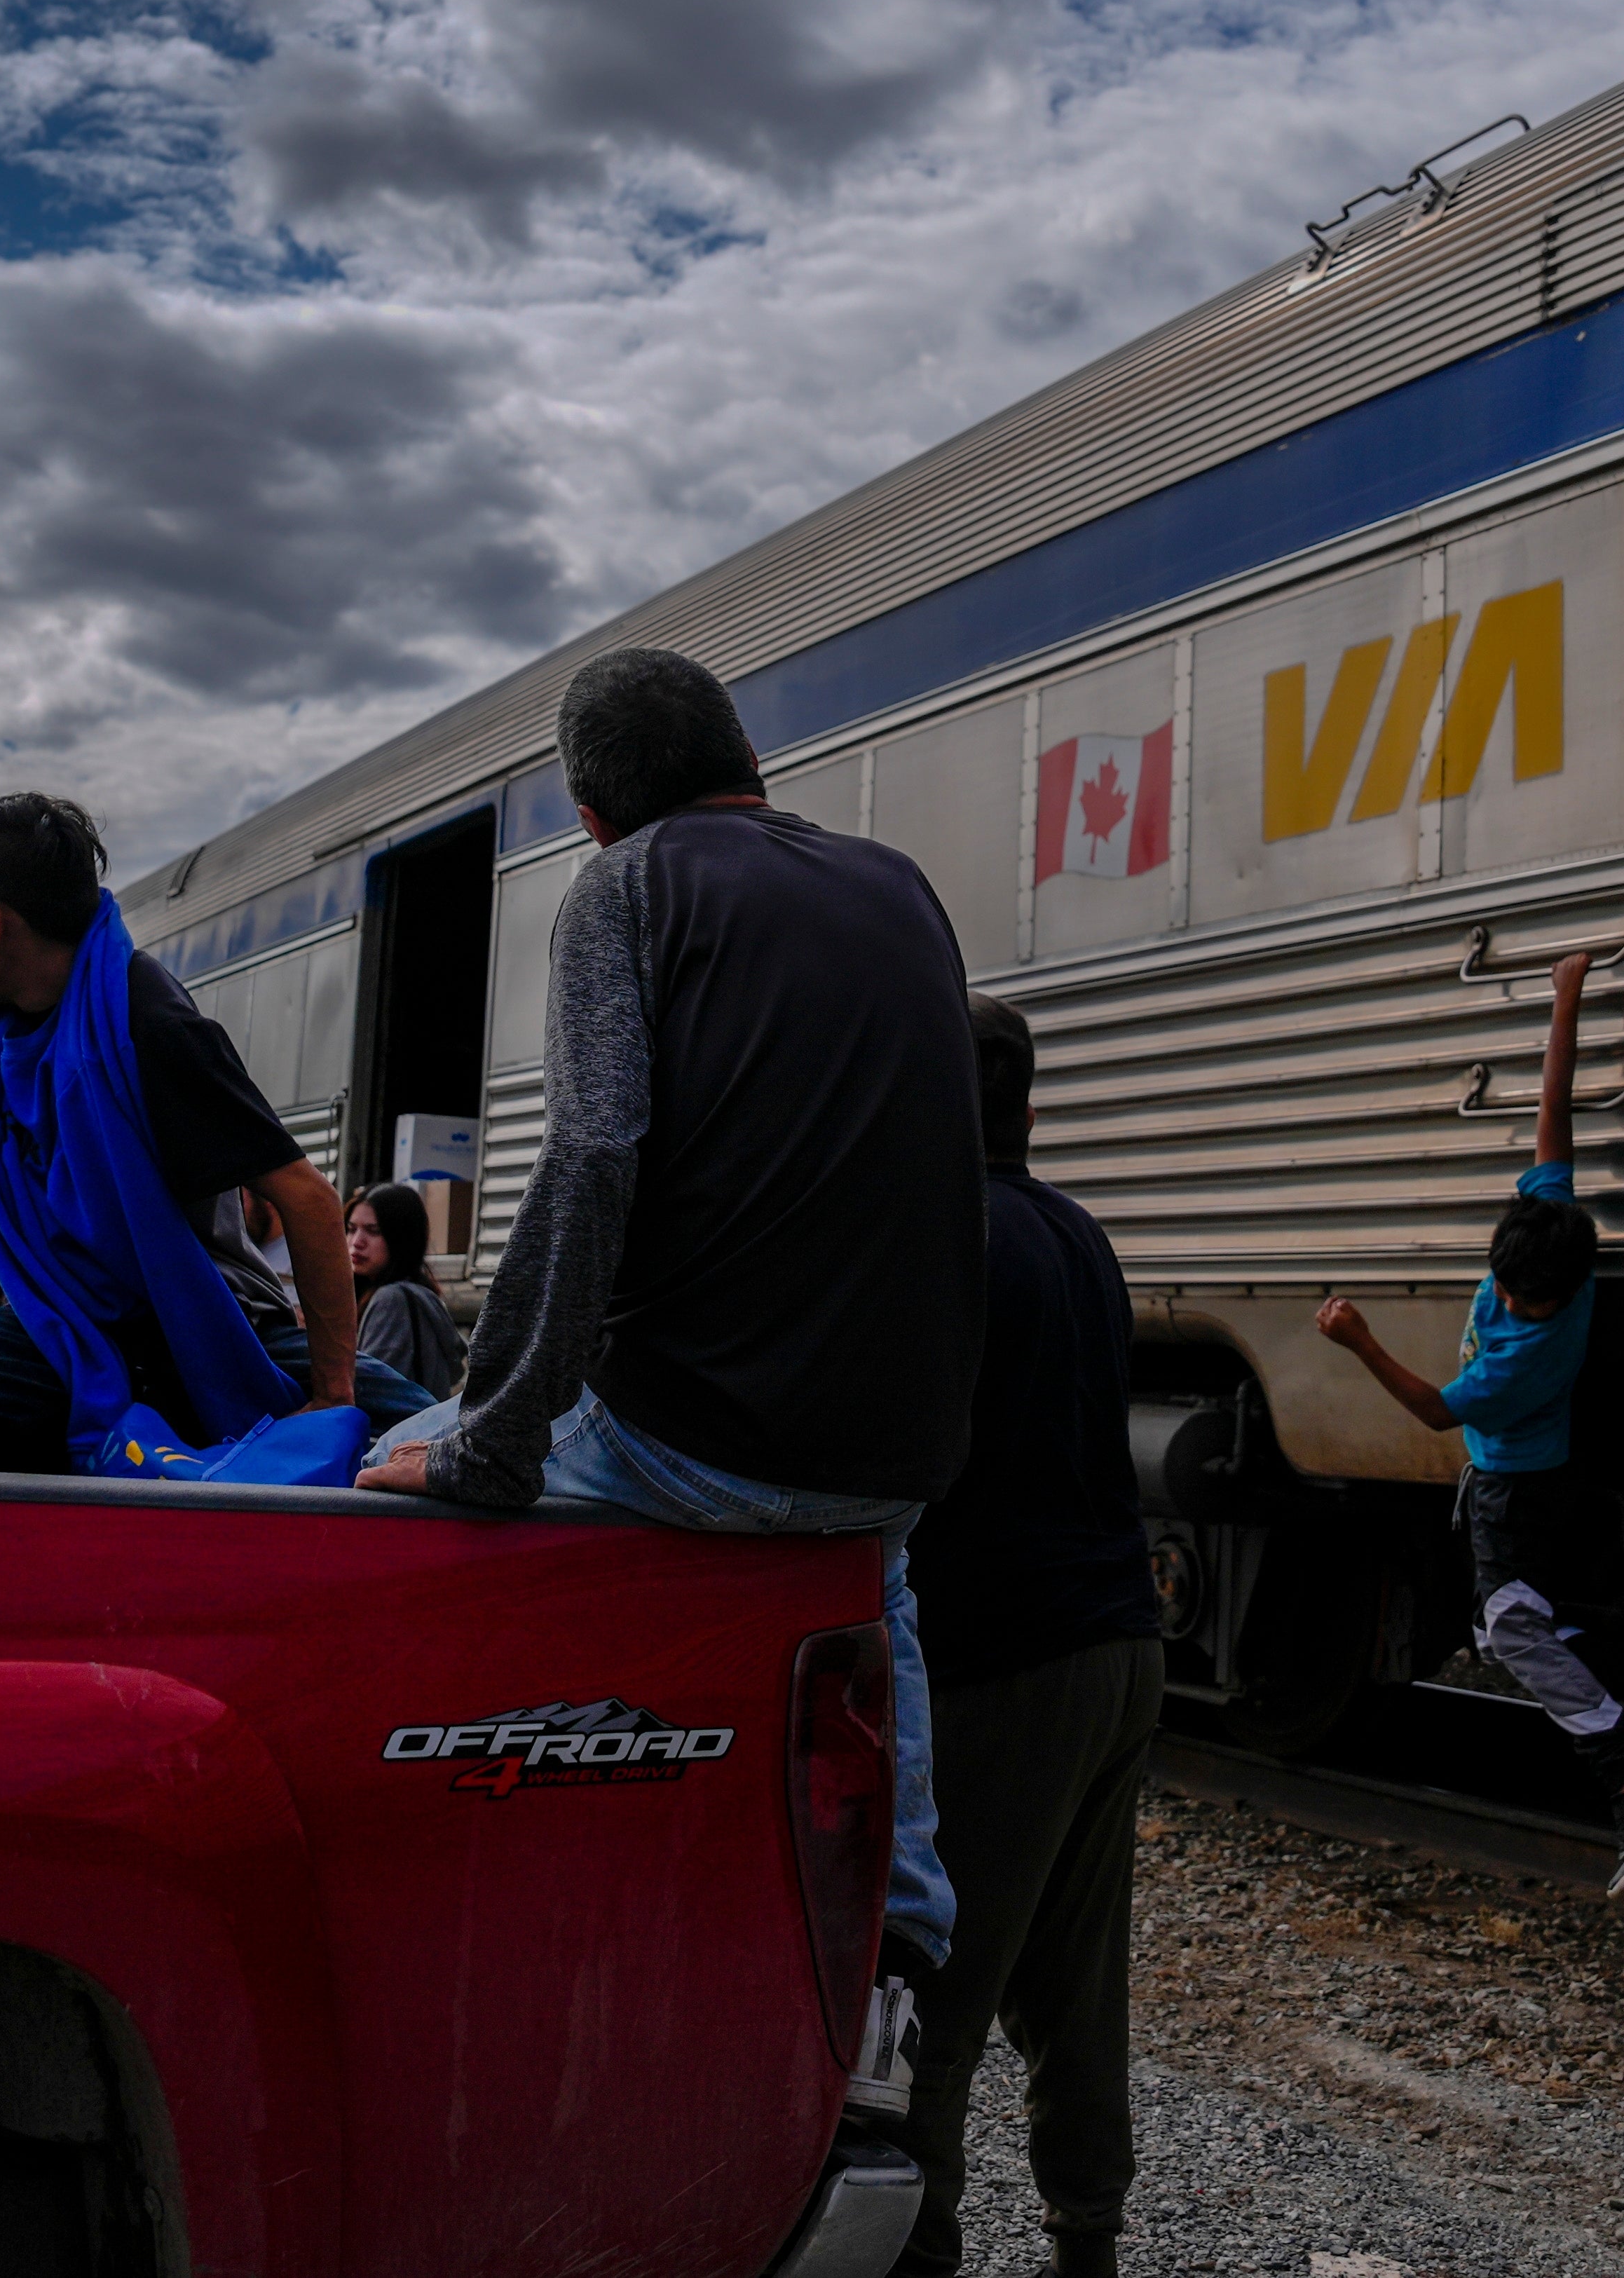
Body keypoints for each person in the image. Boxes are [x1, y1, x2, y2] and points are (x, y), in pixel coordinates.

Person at [360, 646, 989, 2128]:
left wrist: (487, 1443)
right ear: (746, 763)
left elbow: (590, 1160)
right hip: (895, 1462)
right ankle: (897, 1957)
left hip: (700, 1442)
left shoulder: (625, 888)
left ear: (590, 815)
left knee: (391, 1447)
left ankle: (459, 1871)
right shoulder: (900, 885)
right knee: (867, 1569)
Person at [1313, 938, 1624, 1894]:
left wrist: (1360, 1341)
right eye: (1502, 1274)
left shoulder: (1524, 1357)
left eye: (1520, 1294)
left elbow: (1430, 1410)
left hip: (1509, 1486)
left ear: (1556, 1296)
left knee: (1505, 1628)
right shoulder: (1552, 1226)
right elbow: (1554, 1116)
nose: (1503, 1294)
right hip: (1550, 1479)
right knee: (1531, 1618)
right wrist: (1567, 998)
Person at [0, 796, 426, 1478]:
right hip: (57, 1312)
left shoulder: (146, 1023)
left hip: (208, 1308)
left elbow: (308, 1199)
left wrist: (332, 1397)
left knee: (426, 1427)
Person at [895, 996, 1166, 2278]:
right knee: (1075, 1978)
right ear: (1029, 1108)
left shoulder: (942, 1236)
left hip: (999, 1658)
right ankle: (1085, 2239)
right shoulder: (1078, 1230)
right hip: (1119, 1642)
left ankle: (917, 2244)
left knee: (933, 1991)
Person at [346, 1181, 463, 1404]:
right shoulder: (416, 1295)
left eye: (374, 1231)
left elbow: (369, 1390)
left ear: (402, 1238)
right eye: (351, 1229)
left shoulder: (392, 1299)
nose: (357, 1242)